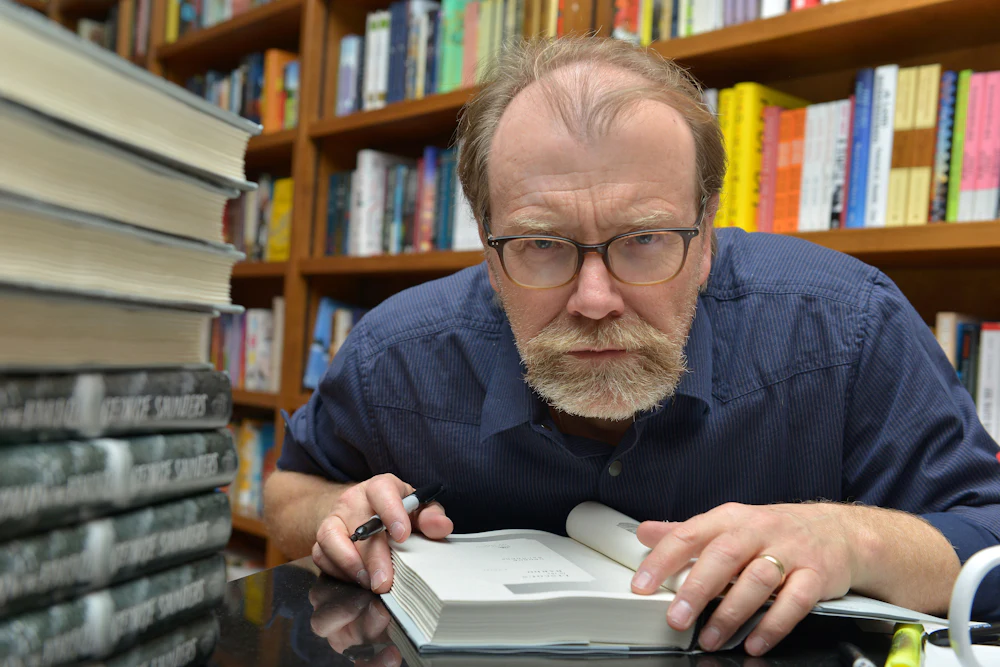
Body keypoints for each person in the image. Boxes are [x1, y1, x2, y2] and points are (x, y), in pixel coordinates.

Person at [264, 37, 1000, 655]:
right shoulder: (397, 352)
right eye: (542, 245)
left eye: (645, 239)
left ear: (705, 239)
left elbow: (988, 537)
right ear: (488, 249)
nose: (594, 299)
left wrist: (849, 538)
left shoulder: (845, 325)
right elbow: (290, 490)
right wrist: (340, 513)